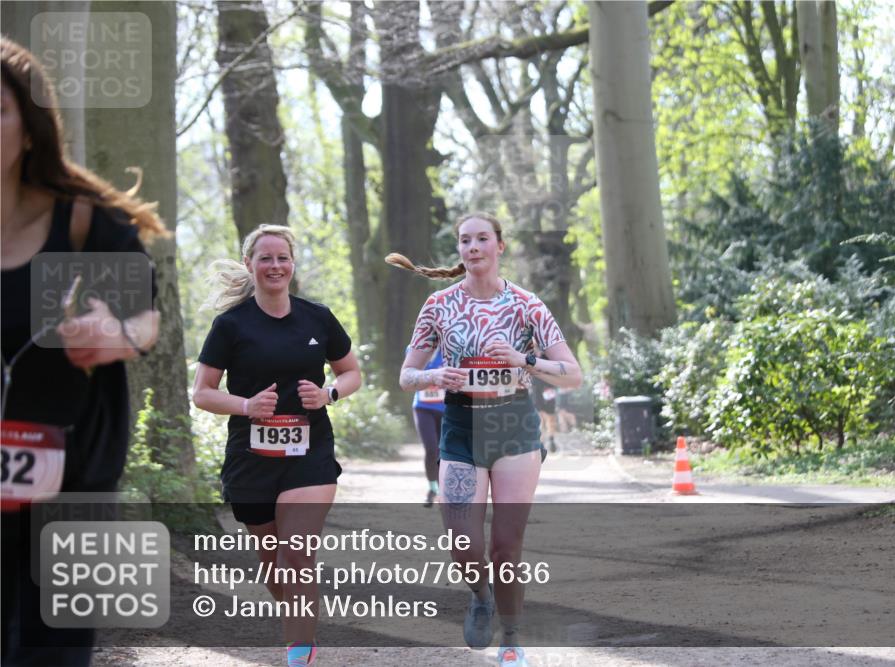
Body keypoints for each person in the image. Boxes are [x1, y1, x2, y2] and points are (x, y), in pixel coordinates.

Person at [1, 37, 165, 666]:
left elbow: (145, 319)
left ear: (32, 130)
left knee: (53, 656)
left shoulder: (81, 222)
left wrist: (116, 335)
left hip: (75, 484)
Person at [388, 212, 582, 667]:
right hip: (461, 425)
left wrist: (524, 357)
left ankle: (512, 637)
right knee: (464, 543)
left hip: (513, 425)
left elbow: (572, 374)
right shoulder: (438, 306)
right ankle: (480, 593)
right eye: (464, 241)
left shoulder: (527, 305)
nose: (472, 247)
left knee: (506, 546)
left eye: (481, 239)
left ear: (500, 246)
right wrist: (436, 374)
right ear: (459, 250)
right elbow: (406, 376)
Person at [192, 223, 361, 667]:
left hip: (311, 454)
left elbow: (351, 373)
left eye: (282, 257)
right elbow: (202, 392)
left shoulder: (317, 317)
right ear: (250, 265)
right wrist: (247, 405)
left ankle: (298, 654)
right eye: (265, 258)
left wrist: (329, 395)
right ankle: (299, 621)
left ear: (293, 263)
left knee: (297, 552)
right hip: (252, 457)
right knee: (274, 565)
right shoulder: (230, 325)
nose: (275, 265)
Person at [411, 346, 445, 506]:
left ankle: (445, 491)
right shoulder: (413, 349)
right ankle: (433, 488)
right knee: (432, 449)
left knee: (445, 451)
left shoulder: (450, 348)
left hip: (446, 408)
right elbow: (411, 377)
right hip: (423, 408)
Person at [531, 377, 558, 453]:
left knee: (550, 417)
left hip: (548, 386)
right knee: (541, 418)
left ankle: (551, 439)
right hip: (537, 387)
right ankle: (542, 442)